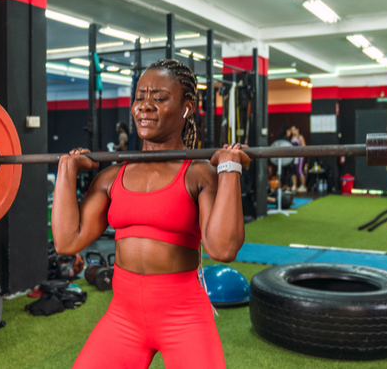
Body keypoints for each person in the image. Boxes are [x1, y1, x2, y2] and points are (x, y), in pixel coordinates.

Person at [52, 59, 249, 369]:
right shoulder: (111, 176)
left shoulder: (198, 174)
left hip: (184, 317)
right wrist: (66, 173)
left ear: (186, 108)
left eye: (159, 98)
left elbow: (223, 249)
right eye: (140, 97)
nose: (145, 106)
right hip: (123, 316)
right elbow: (66, 241)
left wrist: (229, 168)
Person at [290, 125, 307, 192]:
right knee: (293, 171)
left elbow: (304, 146)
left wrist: (300, 154)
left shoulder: (300, 137)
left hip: (300, 157)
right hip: (294, 157)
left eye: (293, 130)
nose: (292, 131)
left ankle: (303, 186)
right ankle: (294, 185)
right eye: (291, 130)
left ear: (297, 130)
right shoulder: (292, 137)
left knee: (299, 171)